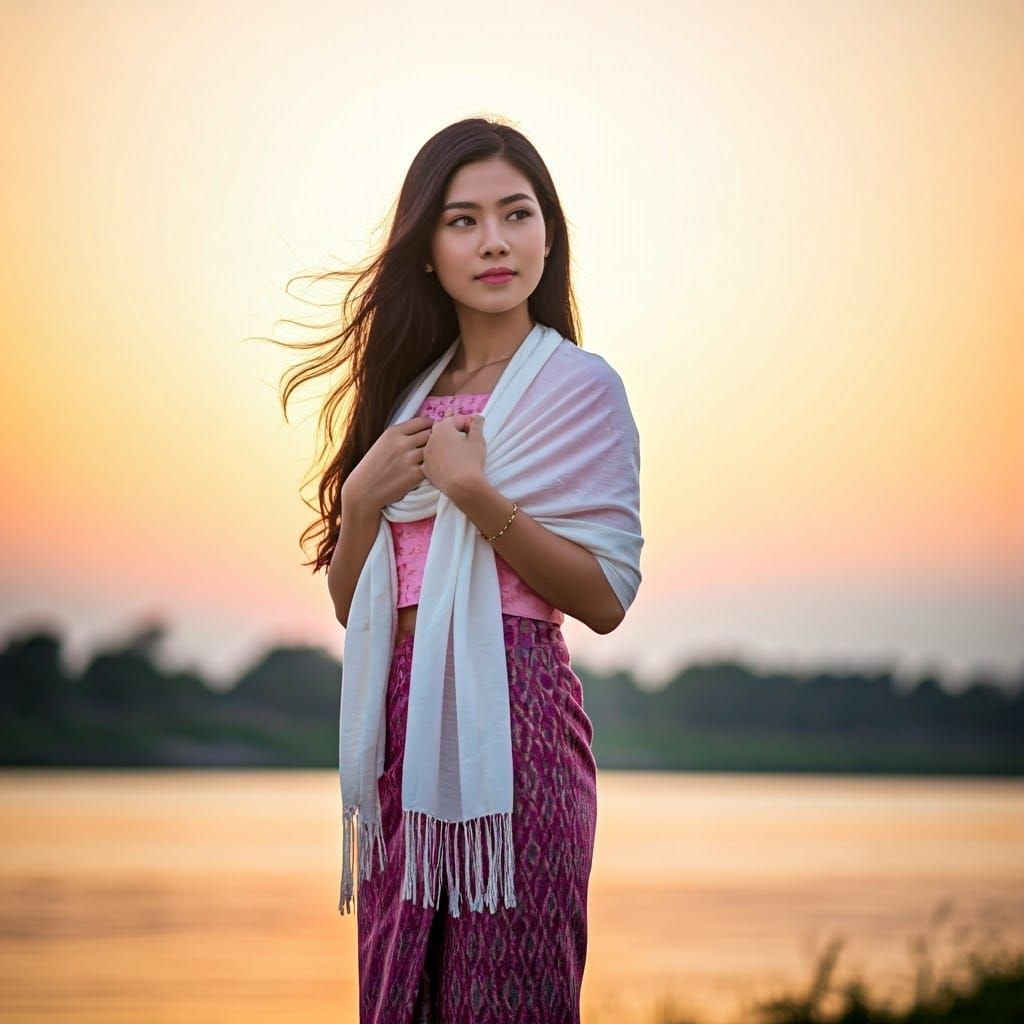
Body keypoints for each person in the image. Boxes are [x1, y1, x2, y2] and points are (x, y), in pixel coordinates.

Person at [278, 116, 643, 1023]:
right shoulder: (403, 396)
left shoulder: (578, 389)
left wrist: (478, 498)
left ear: (548, 235)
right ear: (427, 249)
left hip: (515, 723)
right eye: (463, 220)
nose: (494, 242)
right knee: (403, 998)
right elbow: (350, 599)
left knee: (510, 993)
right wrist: (362, 501)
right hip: (400, 724)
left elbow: (603, 600)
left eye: (516, 215)